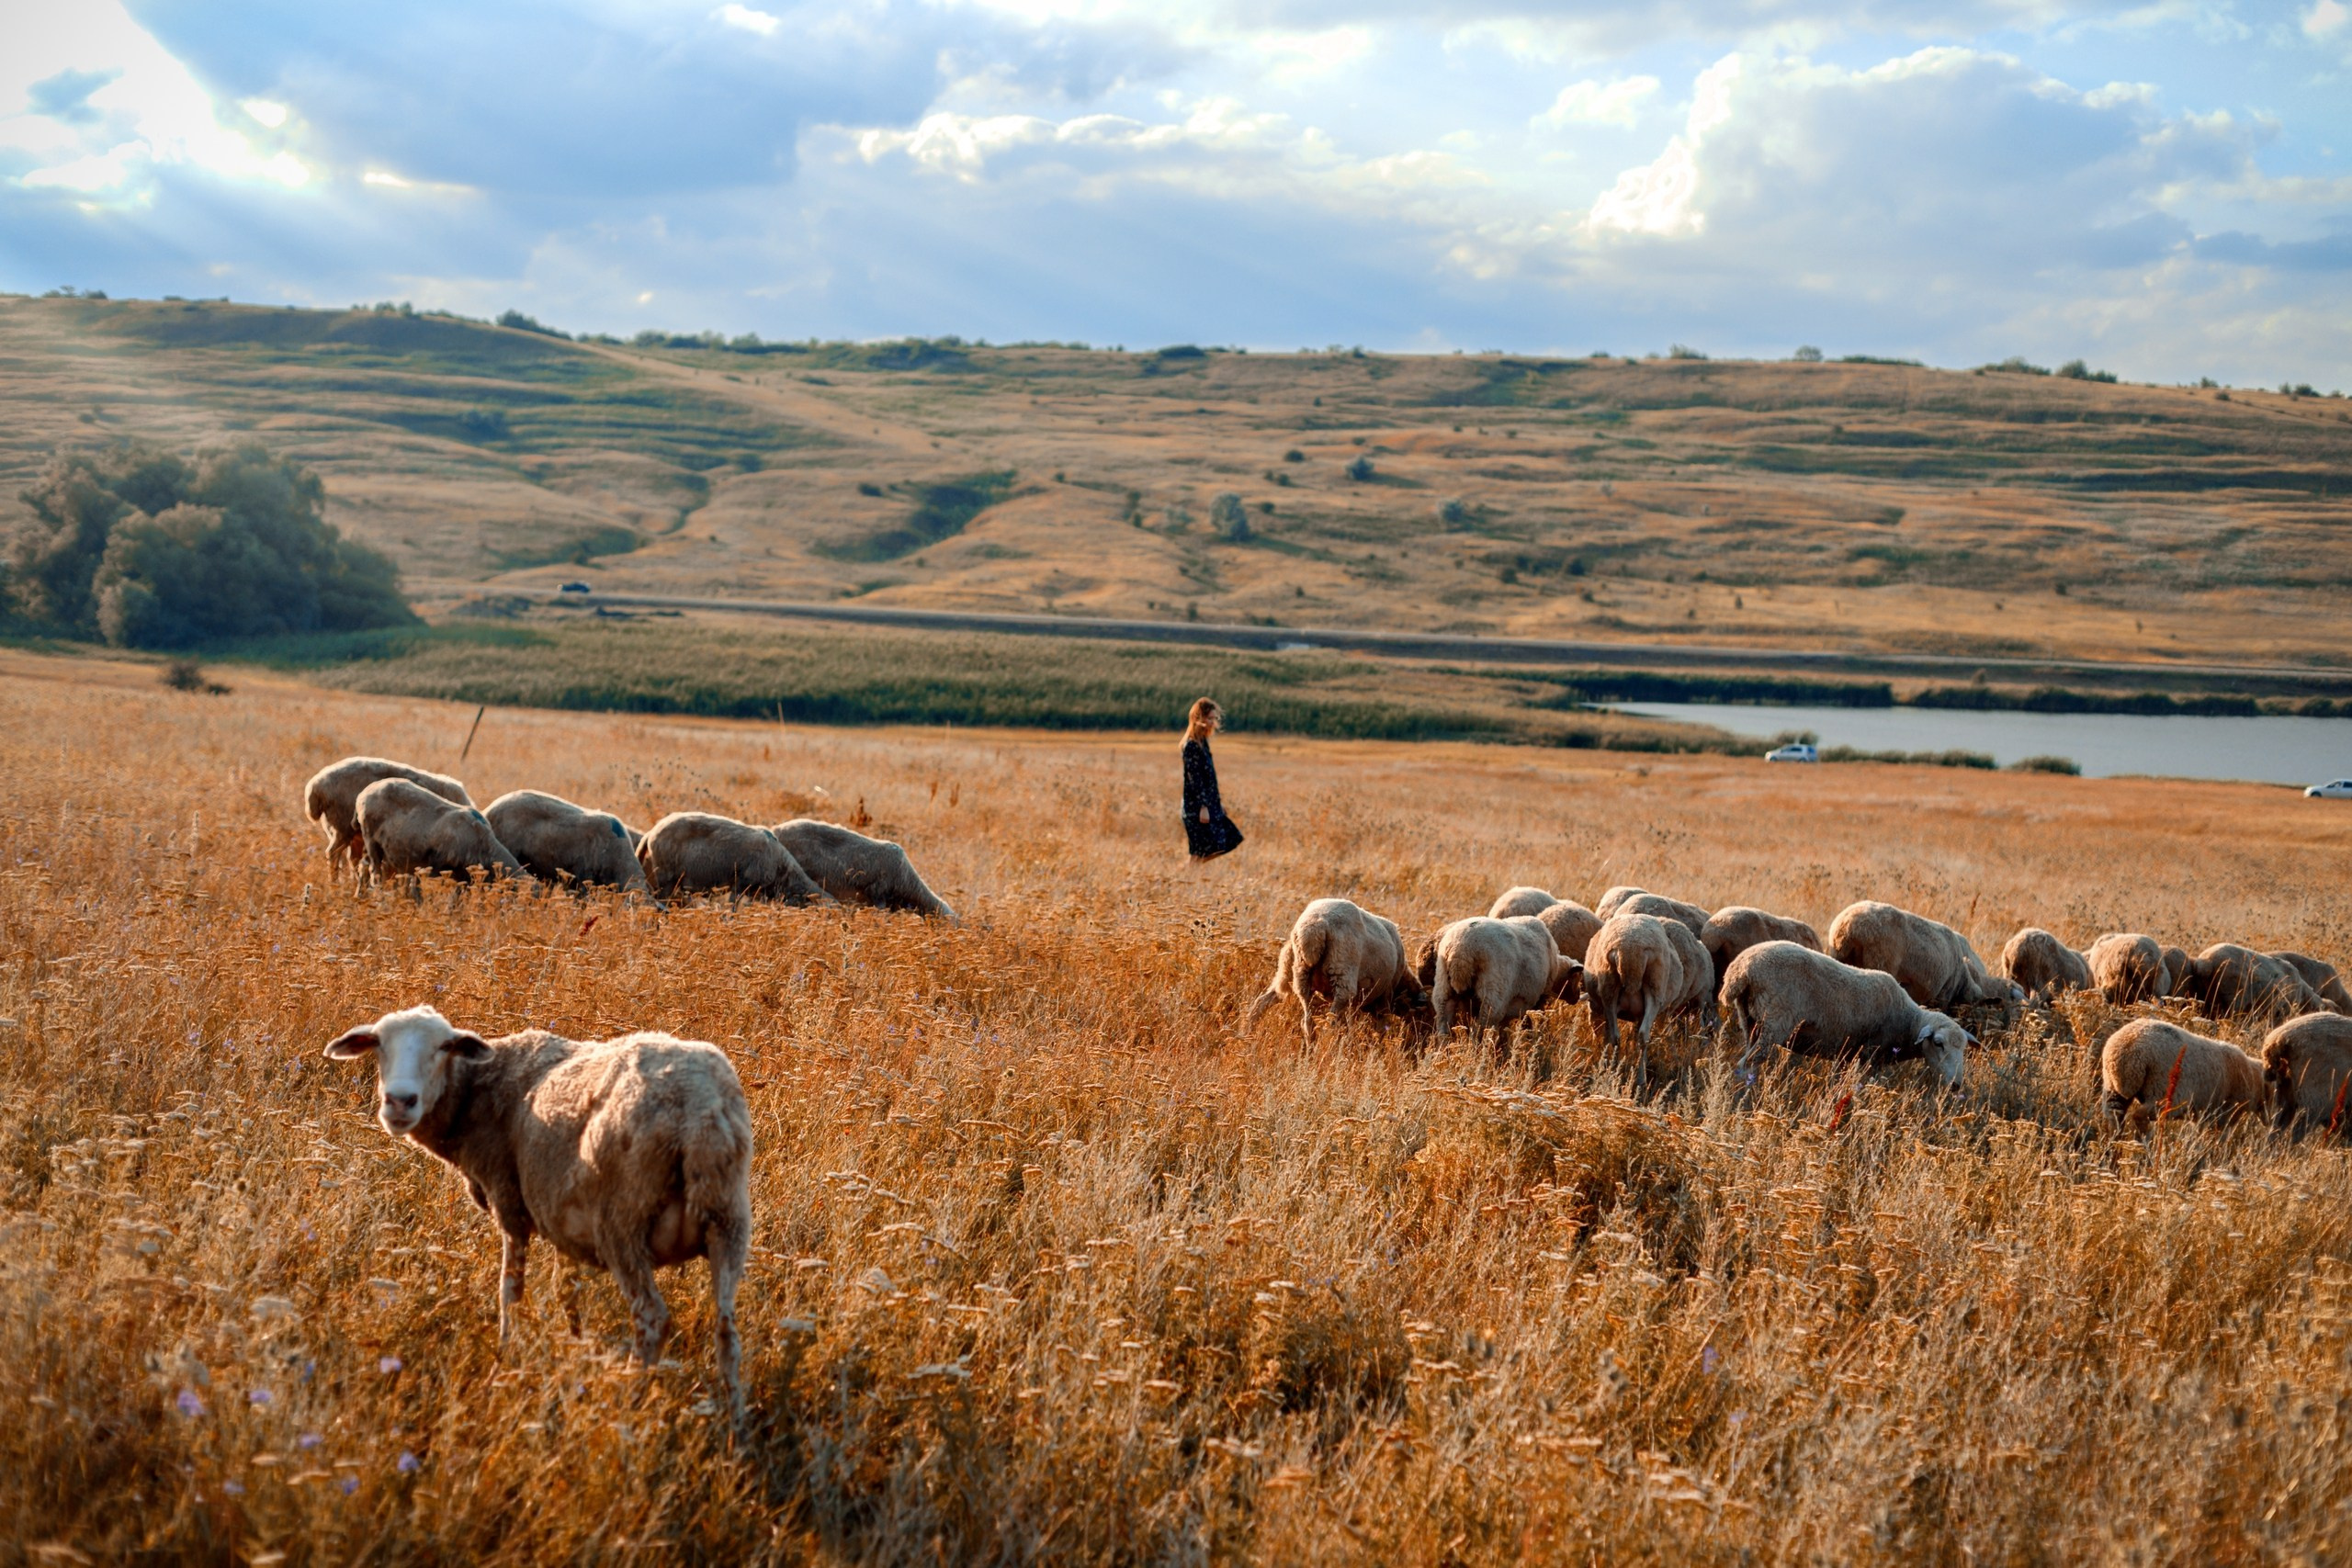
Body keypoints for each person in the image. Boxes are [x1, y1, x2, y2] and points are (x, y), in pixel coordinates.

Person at [1181, 697, 1244, 862]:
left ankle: (1189, 875)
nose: (1212, 722)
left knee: (1225, 841)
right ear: (1199, 718)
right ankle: (1187, 876)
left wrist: (1217, 802)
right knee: (1200, 851)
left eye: (1214, 718)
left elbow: (1210, 778)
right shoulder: (1191, 746)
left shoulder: (1203, 742)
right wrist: (1203, 806)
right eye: (1209, 718)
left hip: (1210, 803)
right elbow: (1195, 779)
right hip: (1196, 807)